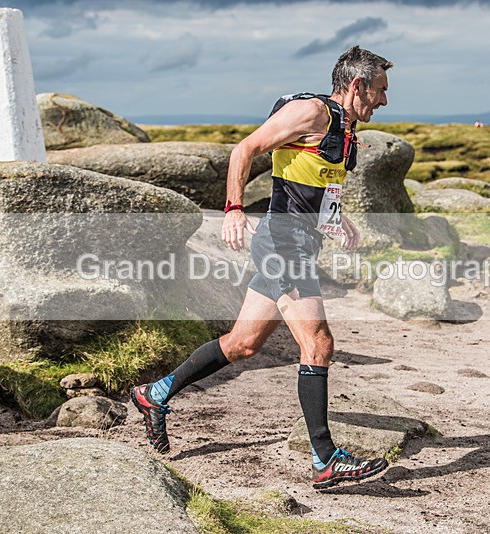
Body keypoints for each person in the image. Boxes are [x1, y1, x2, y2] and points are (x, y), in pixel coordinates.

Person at [131, 45, 392, 489]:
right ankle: (325, 458)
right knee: (319, 343)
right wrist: (233, 209)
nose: (384, 100)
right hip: (282, 243)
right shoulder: (312, 113)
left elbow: (313, 183)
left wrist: (336, 218)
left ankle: (154, 394)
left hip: (299, 242)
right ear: (357, 85)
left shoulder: (344, 130)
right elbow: (244, 149)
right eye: (380, 90)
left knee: (243, 344)